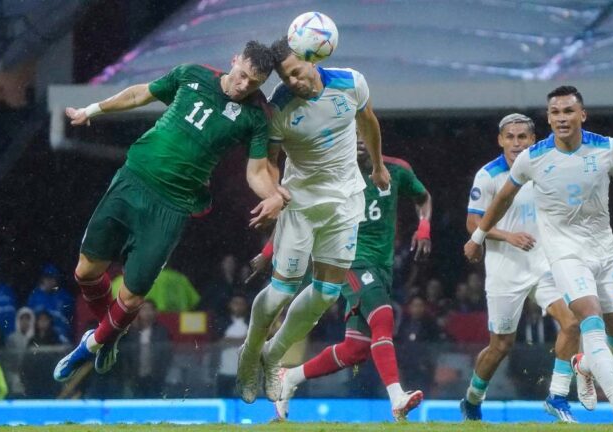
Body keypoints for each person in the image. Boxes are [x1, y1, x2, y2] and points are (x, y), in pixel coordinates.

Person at [52, 41, 288, 384]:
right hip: (132, 180)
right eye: (242, 77)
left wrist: (274, 197)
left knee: (132, 296)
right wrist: (92, 110)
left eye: (254, 83)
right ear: (234, 60)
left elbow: (255, 172)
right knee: (85, 273)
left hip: (173, 206)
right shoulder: (191, 74)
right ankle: (111, 333)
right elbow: (140, 95)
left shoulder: (255, 116)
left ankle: (92, 344)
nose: (244, 86)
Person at [464, 86, 613, 422]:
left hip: (594, 254)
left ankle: (577, 370)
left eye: (568, 111)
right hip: (549, 259)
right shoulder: (527, 161)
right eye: (555, 113)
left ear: (582, 114)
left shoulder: (607, 149)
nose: (561, 118)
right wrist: (478, 236)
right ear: (548, 118)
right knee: (517, 341)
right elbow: (499, 202)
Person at [236, 36, 390, 404]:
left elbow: (368, 121)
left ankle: (273, 357)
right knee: (280, 294)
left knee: (327, 294)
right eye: (284, 78)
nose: (292, 82)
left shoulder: (351, 83)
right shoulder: (279, 107)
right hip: (301, 205)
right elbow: (269, 161)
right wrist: (274, 195)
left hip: (345, 202)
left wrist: (379, 165)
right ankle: (250, 352)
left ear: (313, 59)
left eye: (295, 73)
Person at [272, 138, 432, 421]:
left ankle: (290, 377)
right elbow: (298, 215)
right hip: (345, 259)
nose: (358, 140)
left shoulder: (397, 170)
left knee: (356, 349)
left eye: (363, 133)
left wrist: (423, 226)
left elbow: (423, 198)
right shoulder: (332, 174)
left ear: (375, 136)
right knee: (383, 316)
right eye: (351, 132)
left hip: (381, 266)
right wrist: (269, 250)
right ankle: (397, 397)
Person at [459, 114, 580, 423]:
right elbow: (473, 223)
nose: (516, 143)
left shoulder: (545, 168)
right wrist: (507, 236)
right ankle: (472, 398)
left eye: (522, 137)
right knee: (500, 345)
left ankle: (557, 396)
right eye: (510, 137)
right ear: (500, 140)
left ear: (532, 139)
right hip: (505, 270)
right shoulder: (488, 176)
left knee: (571, 323)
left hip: (543, 265)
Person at [122, 300, 172, 398]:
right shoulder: (131, 332)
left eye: (150, 310)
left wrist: (161, 373)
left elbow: (166, 355)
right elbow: (126, 355)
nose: (147, 313)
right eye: (144, 309)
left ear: (155, 312)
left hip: (155, 378)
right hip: (135, 378)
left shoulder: (162, 331)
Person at [27, 263, 73, 340]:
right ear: (42, 279)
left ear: (56, 280)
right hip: (39, 338)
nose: (49, 281)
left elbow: (71, 320)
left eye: (52, 278)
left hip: (61, 338)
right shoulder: (34, 297)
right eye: (47, 278)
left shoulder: (65, 297)